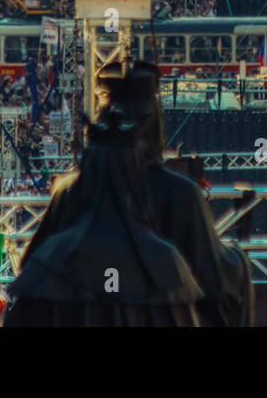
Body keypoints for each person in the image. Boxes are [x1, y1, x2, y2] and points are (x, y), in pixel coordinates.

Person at [22, 62, 254, 326]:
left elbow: (31, 270)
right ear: (153, 122)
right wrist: (238, 259)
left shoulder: (67, 192)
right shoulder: (181, 194)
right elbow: (218, 284)